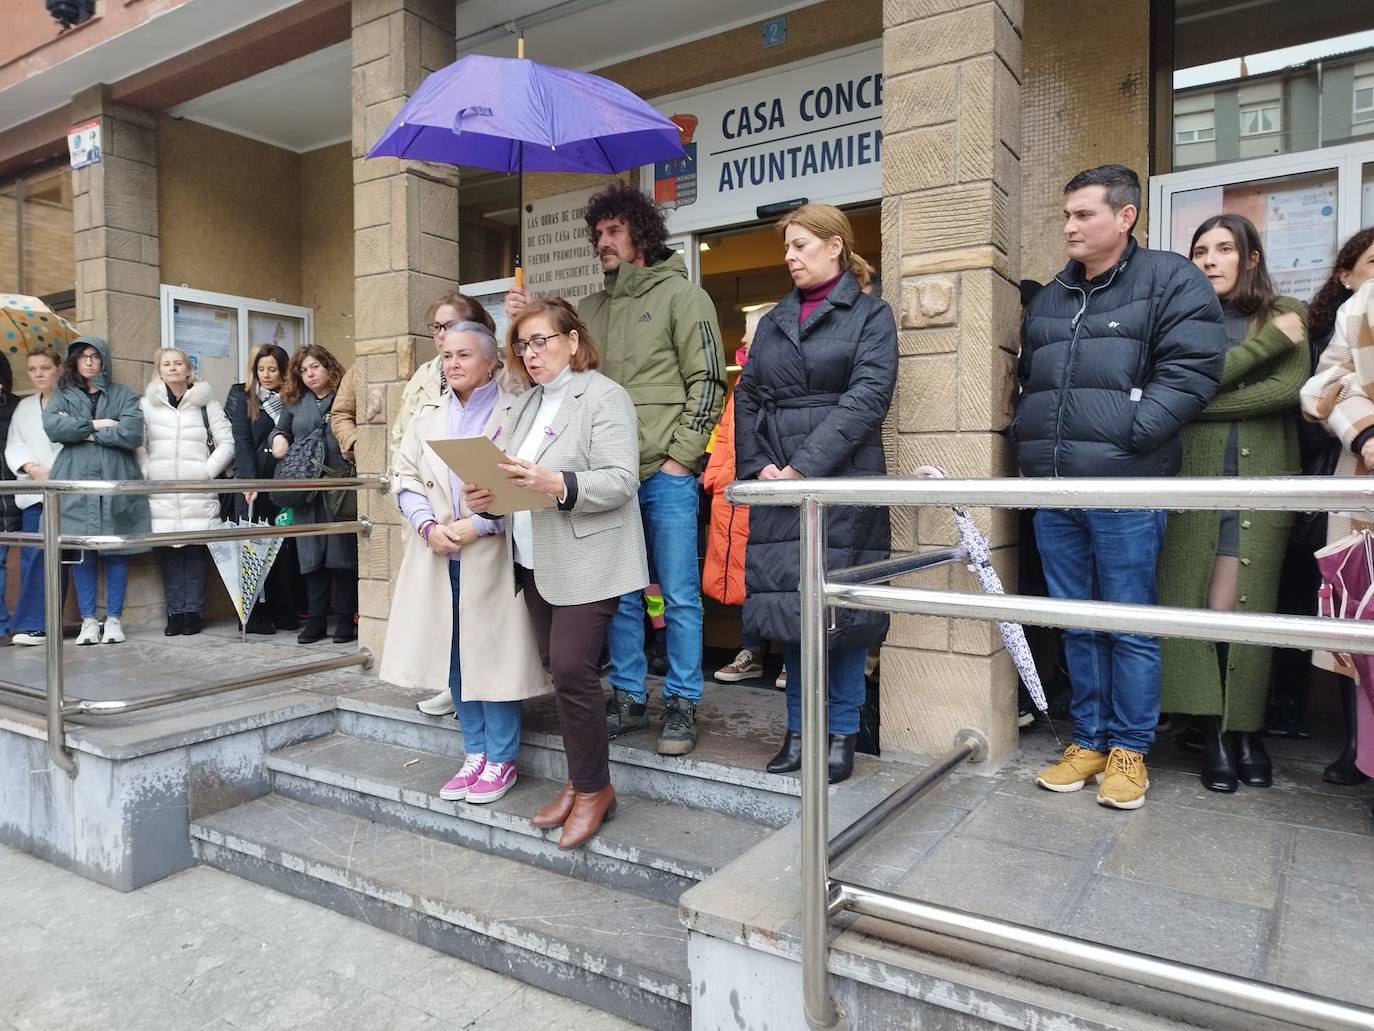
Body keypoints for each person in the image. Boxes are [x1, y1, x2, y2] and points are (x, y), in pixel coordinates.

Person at [1014, 164, 1225, 810]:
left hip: (1127, 486)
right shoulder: (1052, 295)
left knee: (1129, 623)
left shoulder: (1170, 280)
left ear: (1125, 216)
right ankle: (1091, 740)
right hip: (1055, 492)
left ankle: (1131, 749)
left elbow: (1192, 370)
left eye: (1084, 214)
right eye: (1067, 215)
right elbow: (1033, 379)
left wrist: (1134, 431)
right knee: (1077, 624)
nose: (1069, 226)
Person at [505, 183, 725, 756]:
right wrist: (519, 315)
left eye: (613, 232)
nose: (602, 242)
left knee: (676, 593)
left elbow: (709, 383)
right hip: (602, 475)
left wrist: (682, 459)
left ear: (641, 235)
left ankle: (682, 700)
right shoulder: (593, 309)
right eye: (597, 233)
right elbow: (556, 354)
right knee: (621, 592)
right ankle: (628, 692)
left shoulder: (684, 297)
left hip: (664, 474)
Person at [463, 298, 647, 851]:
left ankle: (595, 790)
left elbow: (621, 480)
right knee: (559, 671)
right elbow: (518, 481)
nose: (531, 353)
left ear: (572, 339)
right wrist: (489, 498)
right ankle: (578, 781)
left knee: (571, 668)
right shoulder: (526, 404)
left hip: (590, 558)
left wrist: (560, 484)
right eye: (522, 344)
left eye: (541, 340)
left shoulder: (604, 395)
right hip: (534, 558)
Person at [733, 203, 897, 785]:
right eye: (787, 247)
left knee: (843, 615)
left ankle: (842, 731)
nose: (790, 256)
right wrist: (760, 469)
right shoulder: (774, 319)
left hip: (843, 479)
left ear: (835, 245)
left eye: (801, 245)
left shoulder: (872, 316)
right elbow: (748, 396)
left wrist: (804, 467)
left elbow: (867, 398)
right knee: (794, 611)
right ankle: (800, 731)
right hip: (780, 484)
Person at [1157, 214, 1308, 793]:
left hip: (1263, 482)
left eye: (1224, 249)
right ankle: (1213, 730)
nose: (1211, 260)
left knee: (1247, 608)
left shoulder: (1287, 309)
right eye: (1200, 251)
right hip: (1191, 482)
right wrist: (1191, 397)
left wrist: (1195, 402)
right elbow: (1179, 388)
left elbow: (1286, 390)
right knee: (1196, 605)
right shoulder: (1180, 319)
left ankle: (1247, 730)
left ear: (1250, 257)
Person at [381, 319, 547, 804]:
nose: (452, 364)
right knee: (453, 651)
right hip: (439, 550)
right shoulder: (427, 414)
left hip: (492, 552)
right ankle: (474, 750)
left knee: (493, 653)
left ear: (491, 361)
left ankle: (502, 757)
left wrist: (479, 525)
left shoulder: (517, 411)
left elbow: (527, 485)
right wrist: (429, 528)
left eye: (464, 355)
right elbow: (404, 477)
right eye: (447, 356)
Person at [1282, 229, 1374, 780]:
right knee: (1359, 631)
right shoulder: (1360, 309)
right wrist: (1365, 435)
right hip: (1361, 484)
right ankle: (1362, 757)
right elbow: (1326, 383)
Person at [42, 337, 151, 645]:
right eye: (83, 357)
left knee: (117, 551)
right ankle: (89, 621)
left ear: (104, 360)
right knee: (82, 552)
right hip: (76, 479)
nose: (89, 362)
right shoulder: (62, 394)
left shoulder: (123, 394)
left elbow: (131, 433)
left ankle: (114, 620)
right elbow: (53, 428)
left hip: (116, 477)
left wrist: (80, 430)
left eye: (95, 356)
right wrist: (101, 424)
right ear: (74, 361)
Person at [139, 347, 234, 636]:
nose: (172, 368)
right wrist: (148, 473)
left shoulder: (207, 403)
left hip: (197, 489)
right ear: (159, 369)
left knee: (194, 552)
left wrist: (206, 472)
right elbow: (137, 445)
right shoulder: (147, 405)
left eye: (178, 363)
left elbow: (227, 442)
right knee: (168, 554)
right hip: (162, 491)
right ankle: (174, 613)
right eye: (166, 364)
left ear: (188, 368)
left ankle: (193, 612)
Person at [705, 303, 777, 686]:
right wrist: (715, 479)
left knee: (778, 575)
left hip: (769, 493)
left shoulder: (782, 381)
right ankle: (753, 651)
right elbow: (724, 436)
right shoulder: (742, 386)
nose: (744, 340)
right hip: (735, 494)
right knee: (744, 576)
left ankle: (792, 655)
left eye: (751, 334)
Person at [270, 344, 358, 644]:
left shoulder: (345, 397)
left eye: (315, 367)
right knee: (311, 557)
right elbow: (279, 431)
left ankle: (345, 619)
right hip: (306, 491)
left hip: (338, 486)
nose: (310, 374)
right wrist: (278, 439)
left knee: (342, 555)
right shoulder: (294, 403)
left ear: (328, 367)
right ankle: (316, 621)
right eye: (304, 370)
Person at [224, 344, 304, 634]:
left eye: (273, 369)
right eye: (261, 369)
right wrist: (249, 481)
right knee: (251, 551)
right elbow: (242, 441)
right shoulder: (241, 396)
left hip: (282, 482)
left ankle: (283, 610)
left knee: (281, 549)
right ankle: (251, 614)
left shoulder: (291, 398)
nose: (267, 375)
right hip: (252, 484)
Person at [5, 347, 66, 646]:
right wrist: (30, 466)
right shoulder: (24, 407)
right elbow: (14, 443)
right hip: (33, 491)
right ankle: (33, 623)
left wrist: (56, 470)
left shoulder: (70, 402)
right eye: (33, 369)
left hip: (66, 490)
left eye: (45, 367)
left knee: (65, 558)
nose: (39, 373)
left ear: (59, 370)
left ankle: (51, 623)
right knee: (33, 556)